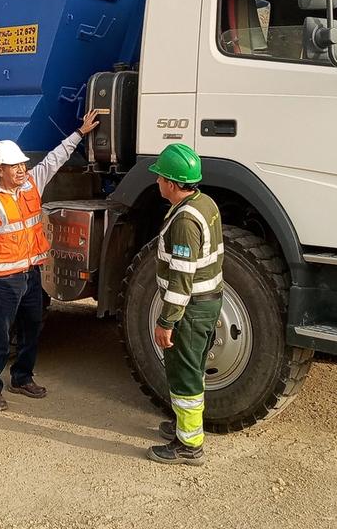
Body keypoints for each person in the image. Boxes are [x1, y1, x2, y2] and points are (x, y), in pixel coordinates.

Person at [0, 110, 99, 411]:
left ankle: (22, 377)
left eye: (23, 164)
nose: (22, 169)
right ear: (0, 169)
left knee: (32, 327)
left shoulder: (31, 184)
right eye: (15, 166)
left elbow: (54, 159)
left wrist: (79, 133)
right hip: (4, 278)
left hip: (31, 273)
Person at [146, 143, 223, 466]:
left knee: (184, 375)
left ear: (172, 183)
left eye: (161, 177)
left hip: (190, 311)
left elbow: (181, 278)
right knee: (194, 369)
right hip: (208, 303)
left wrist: (167, 321)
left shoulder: (184, 221)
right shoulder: (204, 202)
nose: (157, 181)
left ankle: (189, 445)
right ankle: (184, 427)